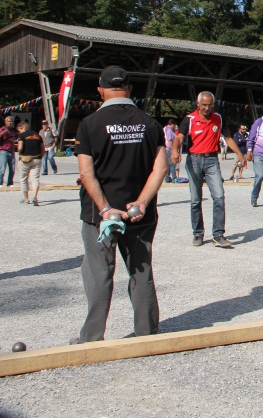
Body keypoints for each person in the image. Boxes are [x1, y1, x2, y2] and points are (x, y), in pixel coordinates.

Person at [72, 66, 168, 343]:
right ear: (130, 89)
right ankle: (146, 333)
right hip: (140, 214)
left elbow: (87, 173)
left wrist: (104, 208)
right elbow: (160, 169)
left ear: (100, 90)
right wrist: (141, 201)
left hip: (100, 215)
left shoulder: (89, 124)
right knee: (141, 270)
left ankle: (92, 337)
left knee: (98, 272)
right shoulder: (151, 124)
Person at [171, 92, 246, 248]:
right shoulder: (189, 119)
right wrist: (174, 151)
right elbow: (179, 137)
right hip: (194, 160)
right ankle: (198, 233)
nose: (206, 108)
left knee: (219, 196)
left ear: (213, 104)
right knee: (195, 200)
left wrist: (240, 154)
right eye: (203, 105)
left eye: (209, 105)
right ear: (198, 104)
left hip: (212, 160)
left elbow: (228, 137)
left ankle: (218, 234)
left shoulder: (218, 118)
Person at [16, 121, 45, 206]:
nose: (19, 132)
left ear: (22, 127)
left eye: (19, 130)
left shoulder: (21, 136)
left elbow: (20, 148)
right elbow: (43, 149)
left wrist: (19, 152)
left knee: (24, 179)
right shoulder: (38, 136)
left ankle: (26, 199)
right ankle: (35, 198)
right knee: (35, 179)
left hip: (25, 159)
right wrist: (40, 157)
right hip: (37, 159)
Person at [0, 115, 17, 187]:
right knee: (2, 168)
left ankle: (10, 183)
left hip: (11, 150)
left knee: (12, 168)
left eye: (11, 121)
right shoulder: (2, 129)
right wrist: (2, 134)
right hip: (4, 151)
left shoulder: (13, 131)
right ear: (5, 122)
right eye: (8, 121)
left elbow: (15, 139)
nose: (10, 123)